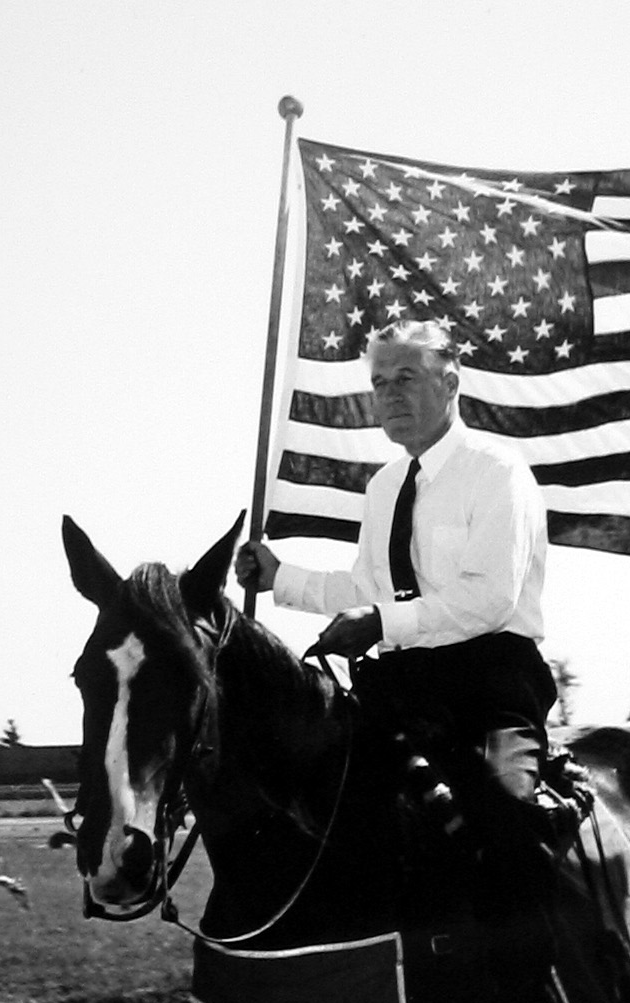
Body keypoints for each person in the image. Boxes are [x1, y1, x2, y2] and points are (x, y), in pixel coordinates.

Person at [235, 318, 560, 900]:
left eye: (406, 378)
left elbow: (489, 599)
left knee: (508, 822)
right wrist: (282, 576)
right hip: (399, 691)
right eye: (380, 382)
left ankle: (553, 972)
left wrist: (381, 622)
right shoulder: (384, 486)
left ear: (451, 382)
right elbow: (368, 589)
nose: (390, 395)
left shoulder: (497, 472)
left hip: (489, 688)